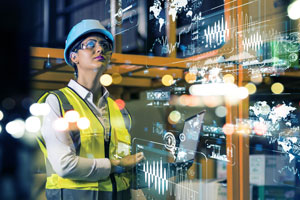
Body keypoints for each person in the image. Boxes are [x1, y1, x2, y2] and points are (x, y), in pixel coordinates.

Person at [36, 19, 145, 200]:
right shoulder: (56, 102)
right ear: (74, 56)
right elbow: (64, 165)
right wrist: (117, 164)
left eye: (104, 45)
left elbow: (126, 168)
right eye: (90, 45)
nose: (100, 49)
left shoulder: (117, 108)